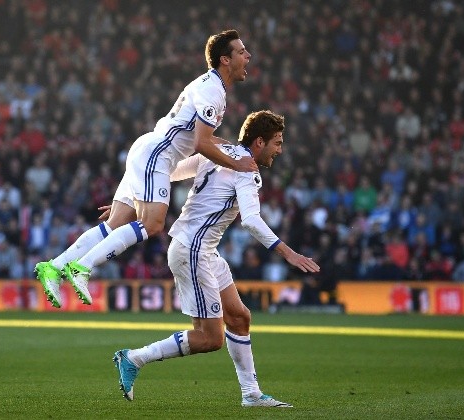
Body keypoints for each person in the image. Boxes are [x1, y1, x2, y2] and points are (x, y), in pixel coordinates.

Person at [34, 30, 257, 308]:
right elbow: (201, 143)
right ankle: (82, 267)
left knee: (114, 224)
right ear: (225, 59)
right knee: (152, 224)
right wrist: (237, 163)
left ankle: (54, 267)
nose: (248, 56)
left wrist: (231, 149)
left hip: (151, 151)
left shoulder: (209, 86)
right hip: (157, 155)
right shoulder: (213, 91)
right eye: (241, 52)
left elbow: (204, 140)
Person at [112, 110, 320, 407]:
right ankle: (134, 358)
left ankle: (251, 394)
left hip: (203, 250)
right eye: (277, 142)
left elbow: (165, 173)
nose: (280, 150)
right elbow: (250, 220)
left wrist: (130, 201)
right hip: (192, 250)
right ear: (259, 142)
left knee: (239, 318)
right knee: (210, 339)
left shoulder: (218, 152)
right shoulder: (247, 169)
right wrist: (288, 252)